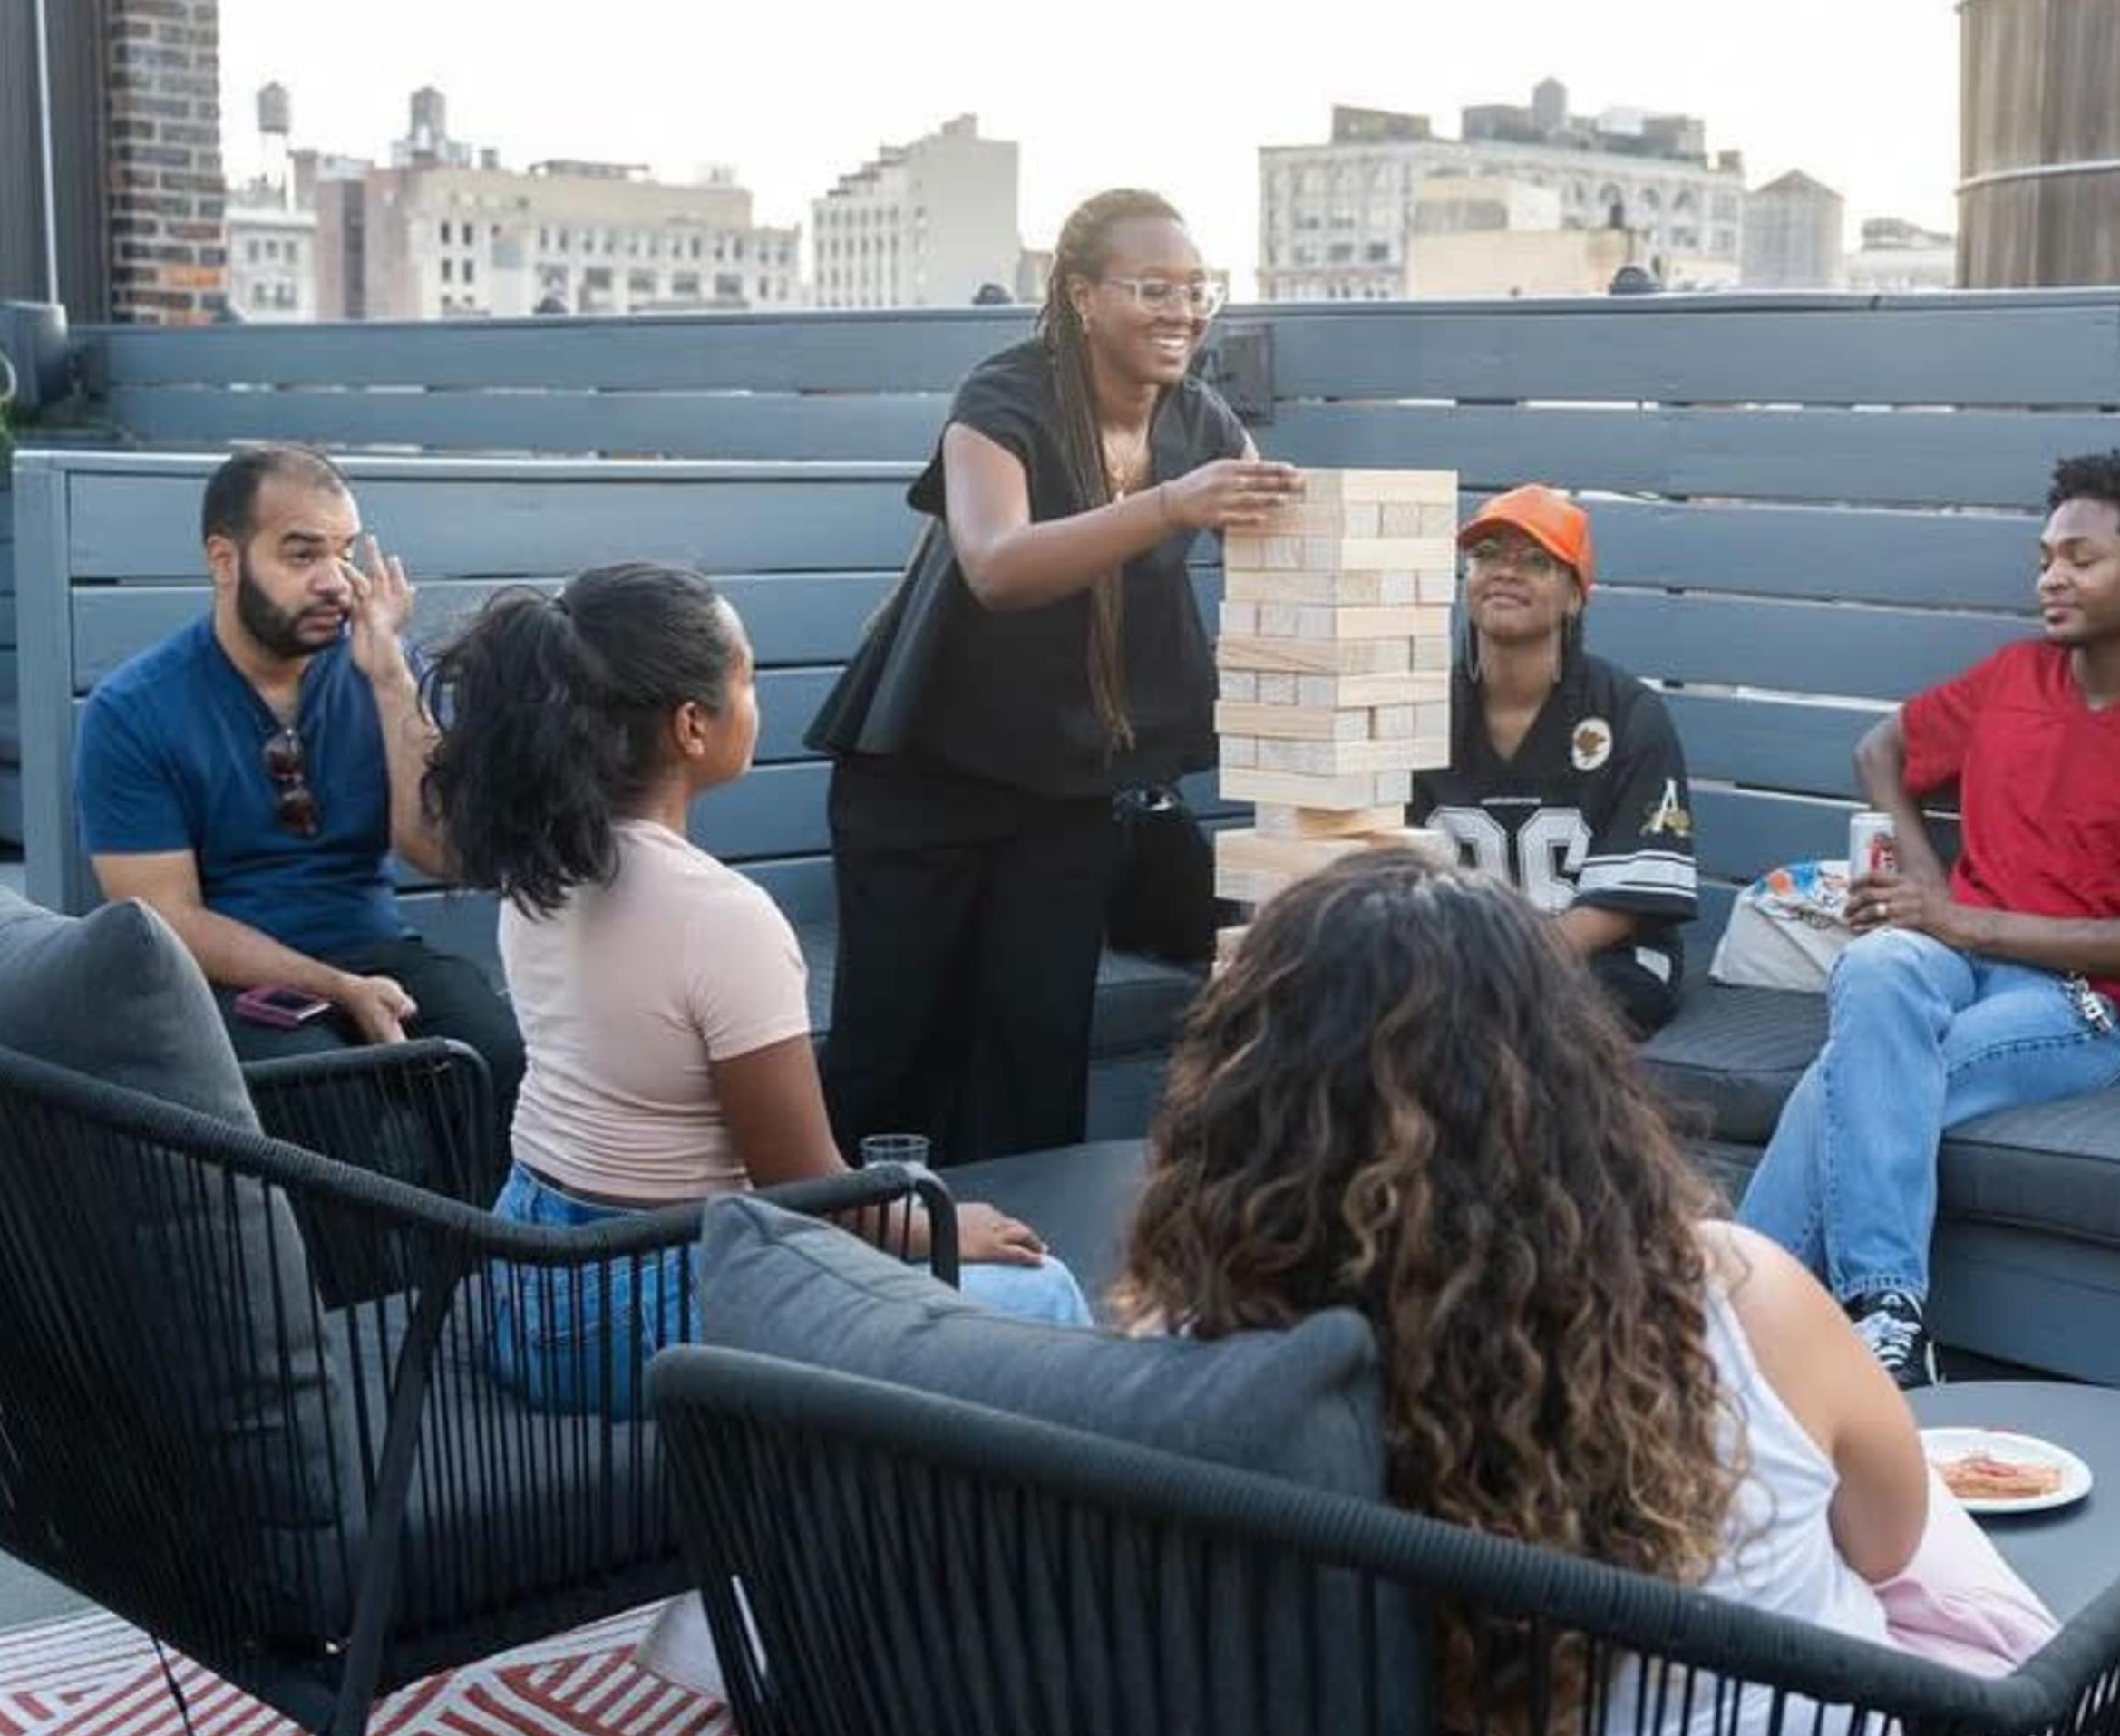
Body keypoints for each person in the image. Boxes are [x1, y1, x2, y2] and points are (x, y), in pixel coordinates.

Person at [1117, 853, 2057, 1736]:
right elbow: (1888, 1542)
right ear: (1570, 1078)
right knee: (1909, 1522)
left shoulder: (1196, 1357)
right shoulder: (1739, 1295)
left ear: (1239, 1098)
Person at [423, 561, 1088, 1417]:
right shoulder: (723, 918)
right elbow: (805, 1191)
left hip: (528, 1286)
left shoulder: (540, 871)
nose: (756, 696)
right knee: (1044, 1293)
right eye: (746, 677)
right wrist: (947, 1229)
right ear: (693, 726)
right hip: (643, 1313)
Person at [1737, 451, 2120, 1388]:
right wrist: (1929, 892)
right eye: (2044, 558)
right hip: (1954, 967)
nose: (2051, 578)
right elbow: (1882, 747)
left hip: (2089, 1007)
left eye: (2082, 558)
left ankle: (1728, 1323)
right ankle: (1888, 1314)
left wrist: (1957, 920)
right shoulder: (2013, 678)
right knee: (1872, 971)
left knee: (1854, 1072)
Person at [814, 188, 1304, 1164]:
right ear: (1082, 295)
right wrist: (1169, 505)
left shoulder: (1201, 419)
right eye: (1152, 287)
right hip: (922, 779)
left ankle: (1012, 1279)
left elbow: (1291, 545)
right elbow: (997, 563)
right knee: (891, 1051)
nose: (1183, 309)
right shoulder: (1003, 398)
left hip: (1069, 788)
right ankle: (850, 1257)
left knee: (1035, 1057)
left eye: (1198, 288)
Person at [75, 444, 525, 1113]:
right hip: (226, 983)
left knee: (500, 1058)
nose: (337, 582)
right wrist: (339, 988)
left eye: (343, 553)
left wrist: (393, 679)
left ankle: (484, 1224)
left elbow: (443, 852)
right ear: (224, 560)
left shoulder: (381, 670)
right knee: (328, 1100)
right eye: (302, 554)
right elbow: (168, 920)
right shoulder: (132, 709)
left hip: (378, 951)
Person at [1406, 483, 1698, 1033]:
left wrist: (1507, 964)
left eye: (1536, 561)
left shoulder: (1630, 715)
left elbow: (1629, 904)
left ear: (1575, 595)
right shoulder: (1420, 713)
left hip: (1599, 962)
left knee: (1542, 1017)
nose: (1505, 571)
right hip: (1459, 961)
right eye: (1486, 555)